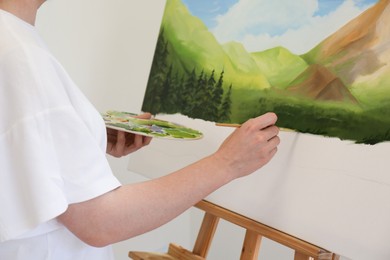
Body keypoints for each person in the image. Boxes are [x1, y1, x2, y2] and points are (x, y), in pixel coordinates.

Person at [0, 0, 280, 259]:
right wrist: (226, 163)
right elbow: (100, 221)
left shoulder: (13, 40)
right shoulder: (19, 54)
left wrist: (86, 139)